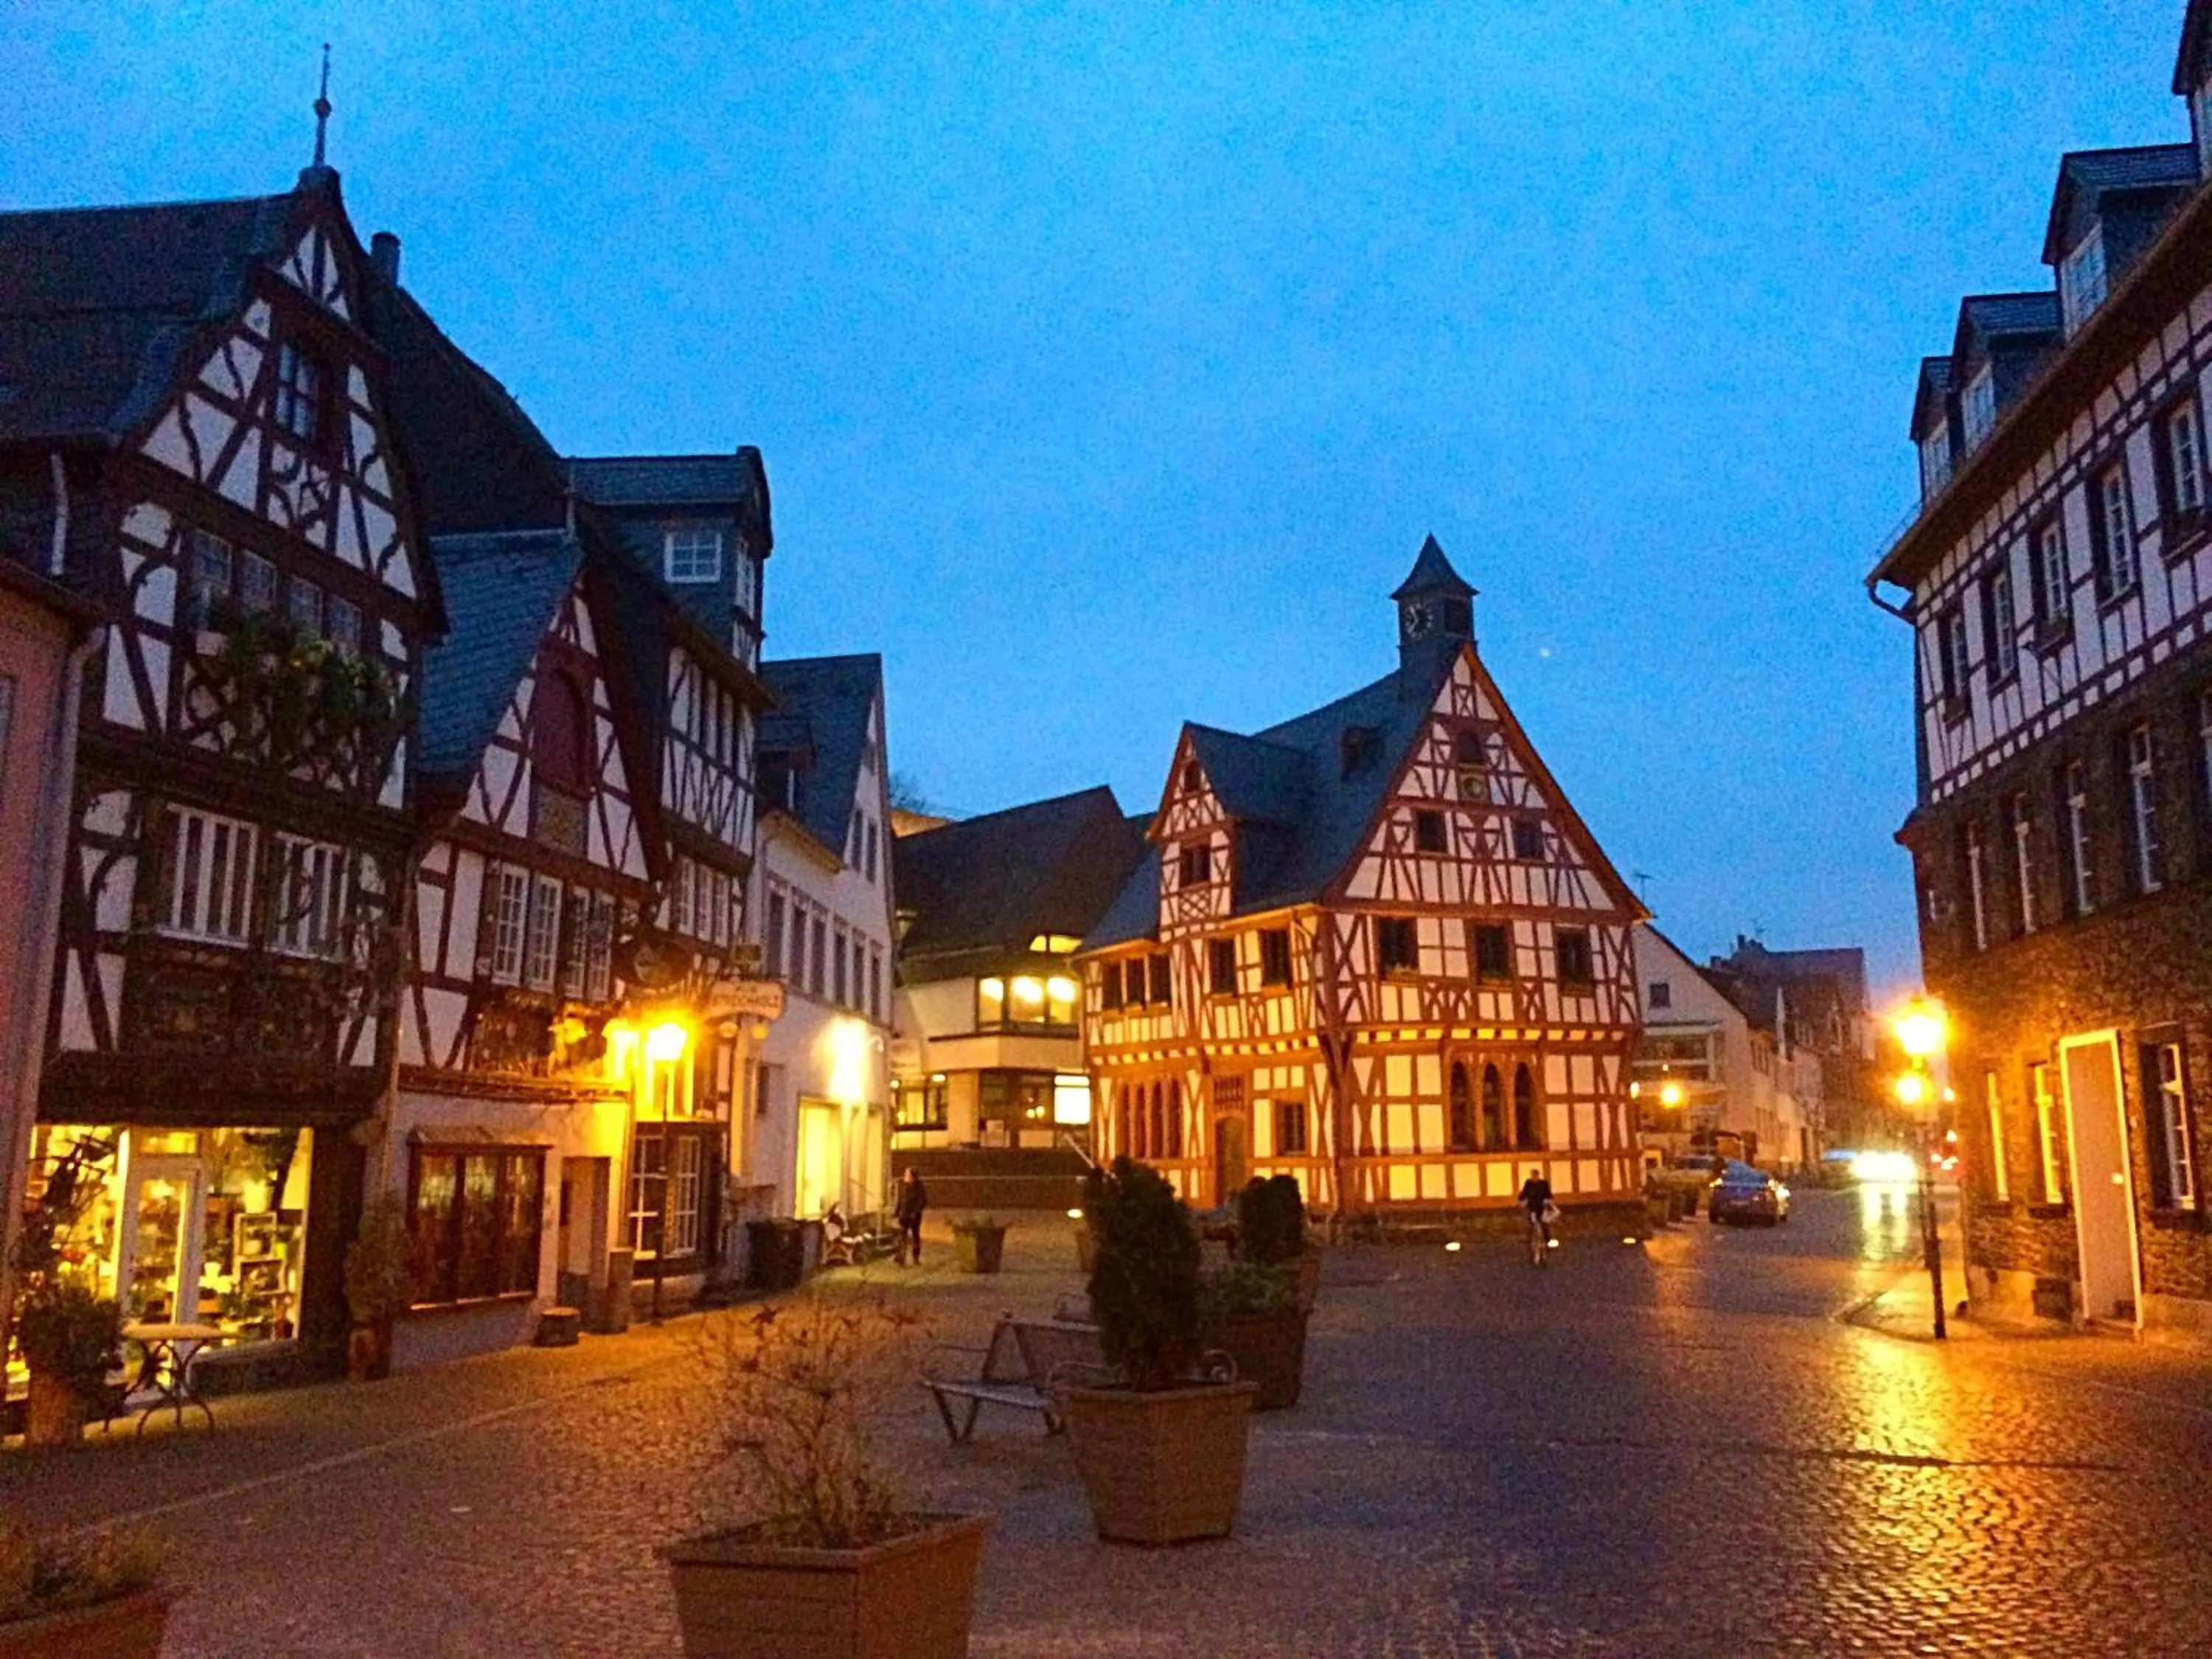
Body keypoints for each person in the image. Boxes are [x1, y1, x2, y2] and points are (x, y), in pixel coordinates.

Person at [1518, 1171, 1554, 1265]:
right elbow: (1523, 1194)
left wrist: (1549, 1202)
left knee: (1545, 1226)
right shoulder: (1528, 1184)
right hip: (1532, 1208)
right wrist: (1521, 1201)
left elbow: (1548, 1195)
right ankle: (1531, 1247)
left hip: (1542, 1209)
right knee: (1531, 1227)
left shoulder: (1544, 1184)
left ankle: (1548, 1243)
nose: (1534, 1177)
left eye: (1535, 1176)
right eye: (1533, 1176)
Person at [894, 1166, 928, 1266]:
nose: (904, 1176)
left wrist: (915, 1212)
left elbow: (922, 1201)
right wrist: (897, 1212)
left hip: (914, 1216)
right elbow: (901, 1201)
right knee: (902, 1235)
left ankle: (915, 1257)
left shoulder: (919, 1188)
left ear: (913, 1177)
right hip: (904, 1215)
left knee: (915, 1236)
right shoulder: (906, 1187)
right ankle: (901, 1256)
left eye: (907, 1174)